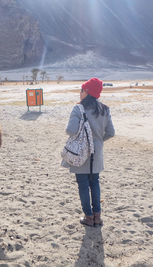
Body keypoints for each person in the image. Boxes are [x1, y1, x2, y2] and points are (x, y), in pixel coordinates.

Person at [64, 77, 115, 227]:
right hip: (97, 154)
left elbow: (70, 130)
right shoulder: (105, 109)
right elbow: (111, 132)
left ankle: (88, 217)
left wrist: (84, 141)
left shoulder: (78, 109)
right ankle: (97, 217)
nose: (79, 93)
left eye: (81, 90)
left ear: (86, 92)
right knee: (95, 183)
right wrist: (97, 142)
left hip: (81, 153)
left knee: (83, 184)